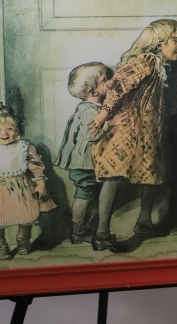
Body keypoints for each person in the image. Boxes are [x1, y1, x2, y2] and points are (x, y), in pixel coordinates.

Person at [88, 19, 177, 252]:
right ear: (160, 43)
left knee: (150, 175)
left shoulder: (159, 66)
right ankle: (101, 234)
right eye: (176, 42)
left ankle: (143, 223)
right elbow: (119, 85)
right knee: (114, 177)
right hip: (127, 130)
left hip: (146, 132)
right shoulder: (146, 60)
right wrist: (104, 112)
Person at [0, 102, 56, 260]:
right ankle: (0, 244)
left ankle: (23, 241)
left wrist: (40, 184)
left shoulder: (24, 147)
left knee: (26, 218)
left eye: (10, 129)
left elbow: (36, 167)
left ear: (18, 130)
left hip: (21, 188)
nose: (4, 134)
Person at [55, 62, 128, 244]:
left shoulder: (91, 108)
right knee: (84, 192)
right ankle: (78, 231)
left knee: (86, 192)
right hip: (82, 161)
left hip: (83, 160)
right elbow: (91, 134)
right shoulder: (90, 110)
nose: (109, 82)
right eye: (104, 80)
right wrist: (111, 123)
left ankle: (80, 229)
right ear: (92, 92)